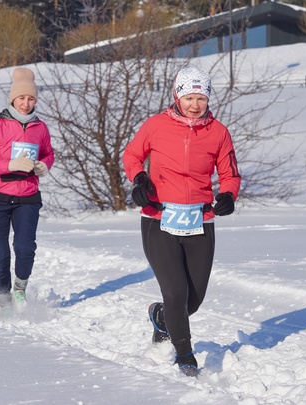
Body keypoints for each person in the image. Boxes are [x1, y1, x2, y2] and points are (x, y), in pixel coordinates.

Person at [122, 66, 241, 376]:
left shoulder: (218, 132)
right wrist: (139, 179)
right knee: (176, 293)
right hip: (159, 218)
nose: (195, 104)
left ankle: (161, 317)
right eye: (189, 97)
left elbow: (229, 173)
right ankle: (185, 356)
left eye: (201, 98)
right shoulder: (156, 125)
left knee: (193, 300)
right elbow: (132, 155)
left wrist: (228, 194)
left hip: (200, 221)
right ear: (177, 96)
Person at [0, 67, 54, 318]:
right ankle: (3, 297)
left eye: (31, 98)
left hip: (28, 196)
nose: (26, 103)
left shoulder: (40, 127)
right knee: (0, 252)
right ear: (12, 99)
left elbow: (48, 153)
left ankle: (20, 288)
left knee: (25, 247)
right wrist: (10, 165)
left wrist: (44, 165)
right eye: (21, 98)